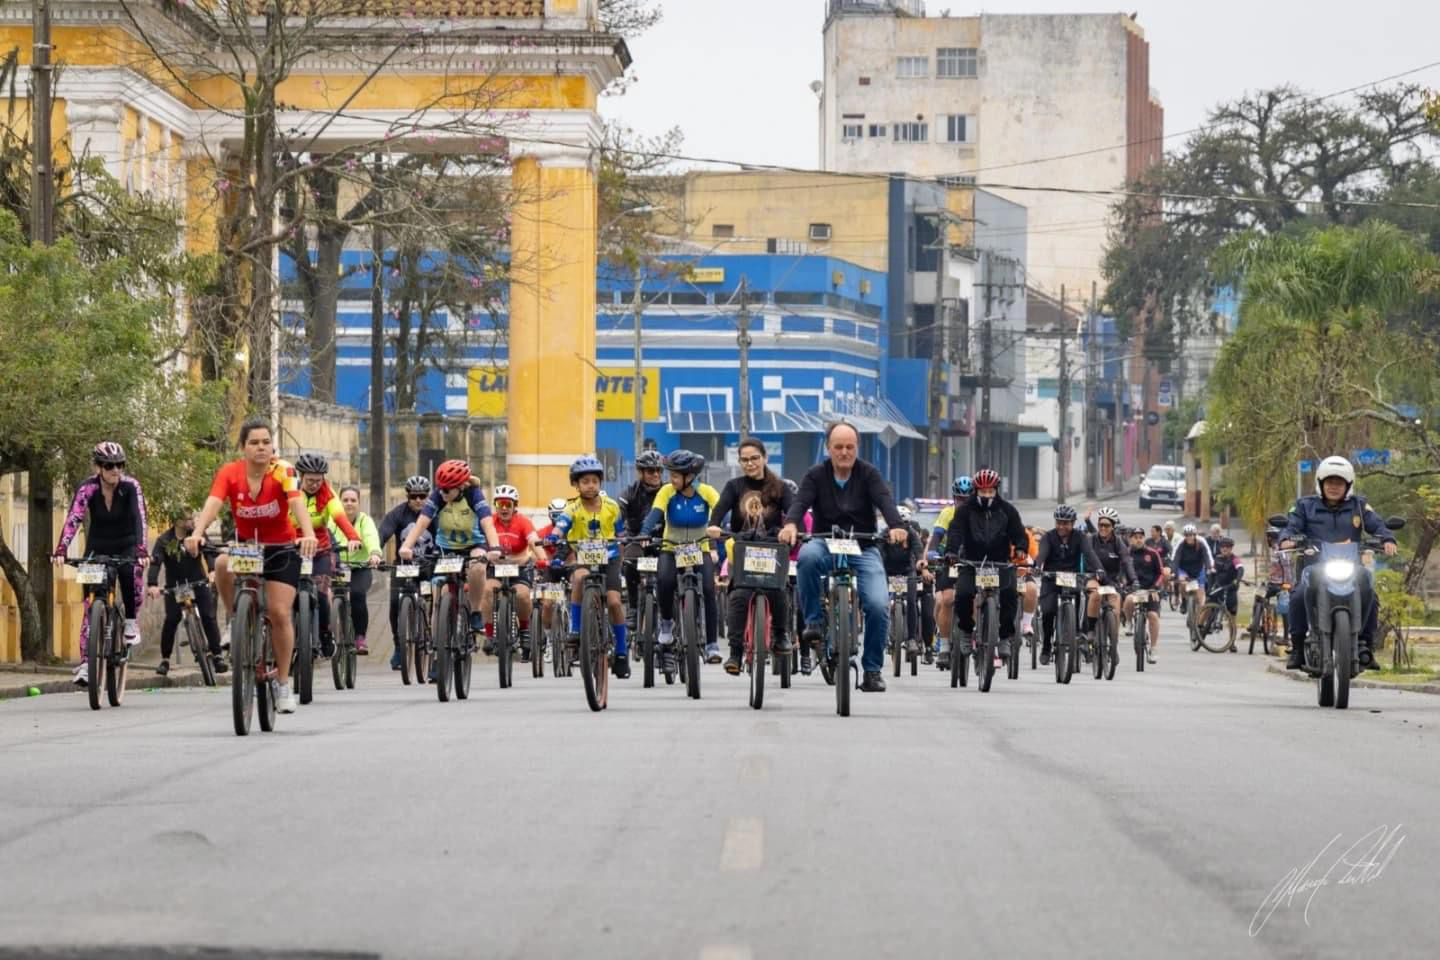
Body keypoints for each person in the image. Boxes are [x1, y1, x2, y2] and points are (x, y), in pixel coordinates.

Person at [186, 418, 318, 714]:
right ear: (243, 447)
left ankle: (282, 684)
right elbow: (213, 502)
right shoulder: (230, 472)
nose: (261, 448)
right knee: (222, 563)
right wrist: (197, 532)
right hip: (247, 545)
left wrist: (308, 534)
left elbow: (296, 502)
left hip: (281, 549)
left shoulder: (284, 471)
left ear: (273, 447)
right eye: (254, 442)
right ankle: (235, 619)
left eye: (266, 442)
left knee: (279, 613)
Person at [779, 421, 908, 693]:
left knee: (878, 604)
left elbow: (885, 501)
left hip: (863, 546)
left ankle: (872, 670)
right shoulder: (815, 475)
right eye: (838, 447)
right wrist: (790, 524)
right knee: (806, 558)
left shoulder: (869, 474)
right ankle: (814, 621)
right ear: (828, 448)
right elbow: (800, 503)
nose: (844, 452)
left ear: (857, 448)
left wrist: (897, 526)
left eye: (850, 447)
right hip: (824, 542)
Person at [1279, 455, 1397, 670]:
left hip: (1351, 566)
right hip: (1314, 566)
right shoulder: (1305, 506)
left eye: (1339, 483)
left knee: (1370, 591)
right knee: (1297, 596)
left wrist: (1387, 539)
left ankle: (1365, 645)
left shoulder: (1359, 506)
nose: (1334, 487)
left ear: (1348, 485)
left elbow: (1378, 525)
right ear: (1320, 483)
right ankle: (1297, 648)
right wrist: (1287, 539)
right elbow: (1291, 526)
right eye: (1330, 482)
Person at [53, 442, 150, 686]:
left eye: (120, 465)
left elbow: (139, 517)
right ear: (98, 467)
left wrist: (141, 549)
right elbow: (74, 518)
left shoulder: (131, 486)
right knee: (90, 605)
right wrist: (61, 549)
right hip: (98, 545)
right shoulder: (87, 487)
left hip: (127, 544)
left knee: (130, 571)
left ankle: (130, 622)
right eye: (109, 466)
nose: (116, 470)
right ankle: (87, 664)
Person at [708, 439, 795, 675]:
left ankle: (780, 636)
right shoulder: (734, 486)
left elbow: (793, 512)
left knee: (778, 591)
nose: (750, 463)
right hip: (742, 547)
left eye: (754, 458)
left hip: (772, 549)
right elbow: (719, 510)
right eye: (744, 460)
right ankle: (735, 653)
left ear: (765, 458)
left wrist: (791, 528)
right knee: (738, 595)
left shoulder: (780, 487)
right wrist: (714, 525)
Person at [398, 460, 502, 648]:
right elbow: (422, 522)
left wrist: (495, 547)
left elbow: (487, 522)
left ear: (461, 487)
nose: (443, 493)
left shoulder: (473, 494)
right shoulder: (439, 496)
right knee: (441, 592)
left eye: (447, 490)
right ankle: (438, 645)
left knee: (478, 568)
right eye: (440, 488)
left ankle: (475, 611)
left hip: (473, 543)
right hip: (446, 547)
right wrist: (406, 546)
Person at [934, 468, 1028, 667]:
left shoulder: (1007, 510)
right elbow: (956, 532)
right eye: (982, 491)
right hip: (971, 562)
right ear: (976, 491)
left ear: (996, 490)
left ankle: (1004, 638)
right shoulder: (965, 510)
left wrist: (1021, 548)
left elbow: (1019, 532)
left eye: (990, 491)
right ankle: (966, 632)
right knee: (962, 594)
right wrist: (951, 552)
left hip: (999, 562)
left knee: (1010, 594)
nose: (986, 495)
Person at [548, 457, 628, 677]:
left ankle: (622, 651)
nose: (590, 485)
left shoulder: (612, 506)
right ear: (576, 485)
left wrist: (622, 556)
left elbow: (621, 534)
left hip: (610, 558)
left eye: (594, 481)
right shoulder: (572, 508)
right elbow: (561, 526)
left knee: (614, 602)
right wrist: (553, 536)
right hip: (584, 556)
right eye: (585, 482)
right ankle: (576, 628)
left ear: (600, 482)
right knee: (579, 578)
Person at [640, 449, 722, 666]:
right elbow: (655, 514)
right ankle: (667, 623)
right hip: (671, 548)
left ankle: (712, 644)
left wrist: (723, 526)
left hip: (699, 548)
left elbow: (721, 511)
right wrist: (645, 532)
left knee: (709, 589)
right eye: (671, 475)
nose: (671, 479)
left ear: (690, 476)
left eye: (675, 475)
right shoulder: (666, 491)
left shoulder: (706, 492)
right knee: (665, 581)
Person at [292, 454, 363, 659]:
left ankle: (325, 633)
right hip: (291, 547)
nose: (314, 484)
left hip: (320, 550)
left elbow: (339, 517)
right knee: (286, 596)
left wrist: (352, 537)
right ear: (301, 476)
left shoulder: (328, 493)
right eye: (310, 480)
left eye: (318, 480)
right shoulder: (291, 492)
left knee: (322, 594)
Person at [146, 510, 225, 678]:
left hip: (198, 582)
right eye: (187, 519)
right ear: (177, 521)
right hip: (175, 586)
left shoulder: (196, 534)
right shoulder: (164, 540)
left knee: (208, 616)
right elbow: (156, 562)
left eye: (191, 518)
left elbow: (209, 551)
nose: (191, 521)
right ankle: (165, 660)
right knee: (171, 620)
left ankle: (217, 655)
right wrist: (152, 584)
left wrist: (212, 571)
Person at [480, 484, 548, 660]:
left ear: (514, 506)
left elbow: (534, 541)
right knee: (487, 591)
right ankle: (490, 634)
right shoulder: (490, 522)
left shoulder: (523, 522)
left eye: (507, 505)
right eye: (500, 504)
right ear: (496, 506)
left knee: (523, 595)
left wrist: (542, 558)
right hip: (496, 567)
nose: (504, 509)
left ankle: (524, 630)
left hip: (520, 567)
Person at [1034, 504, 1107, 666]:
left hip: (1072, 578)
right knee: (1048, 611)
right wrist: (1037, 566)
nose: (1062, 526)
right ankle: (1046, 646)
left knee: (1080, 602)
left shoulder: (1080, 537)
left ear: (1073, 523)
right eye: (1059, 522)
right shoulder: (1048, 537)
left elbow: (1089, 553)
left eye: (1066, 523)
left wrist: (1099, 568)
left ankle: (1078, 633)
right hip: (1051, 579)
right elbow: (1042, 554)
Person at [379, 476, 436, 671]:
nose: (418, 500)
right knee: (395, 603)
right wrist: (376, 553)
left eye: (422, 496)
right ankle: (398, 646)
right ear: (407, 496)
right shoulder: (398, 513)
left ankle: (432, 639)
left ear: (428, 496)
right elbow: (383, 532)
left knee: (434, 602)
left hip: (428, 567)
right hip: (404, 566)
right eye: (414, 496)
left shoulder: (435, 513)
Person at [927, 476, 972, 669]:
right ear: (954, 498)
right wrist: (932, 551)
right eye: (960, 499)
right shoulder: (947, 513)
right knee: (946, 599)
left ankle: (975, 634)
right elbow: (937, 536)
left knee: (977, 597)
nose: (963, 503)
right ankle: (944, 646)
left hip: (971, 561)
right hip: (950, 561)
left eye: (967, 499)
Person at [333, 486, 383, 655]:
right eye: (345, 500)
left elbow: (371, 537)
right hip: (336, 567)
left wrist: (374, 554)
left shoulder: (364, 521)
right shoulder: (332, 520)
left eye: (353, 500)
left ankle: (360, 637)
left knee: (357, 594)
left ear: (359, 503)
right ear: (339, 502)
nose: (349, 503)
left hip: (359, 568)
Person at [878, 503, 925, 661]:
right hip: (888, 572)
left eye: (905, 523)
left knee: (912, 602)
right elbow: (878, 551)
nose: (902, 527)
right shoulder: (885, 534)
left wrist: (921, 562)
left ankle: (911, 639)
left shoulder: (912, 534)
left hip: (907, 571)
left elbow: (918, 551)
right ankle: (883, 636)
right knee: (881, 603)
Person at [1082, 506, 1136, 643]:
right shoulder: (1091, 539)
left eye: (1106, 525)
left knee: (1116, 605)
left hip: (1111, 581)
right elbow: (1088, 557)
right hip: (1093, 577)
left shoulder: (1118, 542)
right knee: (1095, 594)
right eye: (1100, 524)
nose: (1103, 528)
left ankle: (1113, 644)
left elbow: (1127, 561)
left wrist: (1133, 580)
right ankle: (1091, 630)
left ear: (1113, 527)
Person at [1124, 526, 1166, 663]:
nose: (1138, 540)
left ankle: (1153, 648)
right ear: (1130, 539)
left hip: (1150, 591)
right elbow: (1121, 572)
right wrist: (1124, 584)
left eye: (1141, 537)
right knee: (1129, 600)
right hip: (1133, 590)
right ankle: (1129, 623)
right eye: (1135, 537)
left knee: (1153, 616)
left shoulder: (1153, 553)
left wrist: (1155, 587)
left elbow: (1160, 573)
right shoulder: (1126, 553)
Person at [1205, 537, 1243, 651]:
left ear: (1231, 548)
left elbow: (1240, 569)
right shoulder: (1217, 559)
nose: (1225, 549)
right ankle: (1200, 627)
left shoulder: (1235, 559)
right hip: (1218, 588)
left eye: (1227, 547)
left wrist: (1237, 580)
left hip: (1230, 588)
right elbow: (1211, 574)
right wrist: (1209, 588)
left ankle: (1232, 643)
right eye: (1222, 547)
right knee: (1207, 606)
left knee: (1232, 617)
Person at [1170, 523, 1214, 613]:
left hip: (1198, 569)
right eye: (1187, 535)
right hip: (1184, 569)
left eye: (1191, 535)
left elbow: (1207, 556)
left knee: (1200, 595)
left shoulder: (1201, 543)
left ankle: (1199, 615)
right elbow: (1175, 559)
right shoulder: (1181, 543)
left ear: (1194, 535)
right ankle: (1184, 601)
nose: (1189, 537)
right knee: (1182, 583)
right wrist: (1173, 571)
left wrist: (1210, 567)